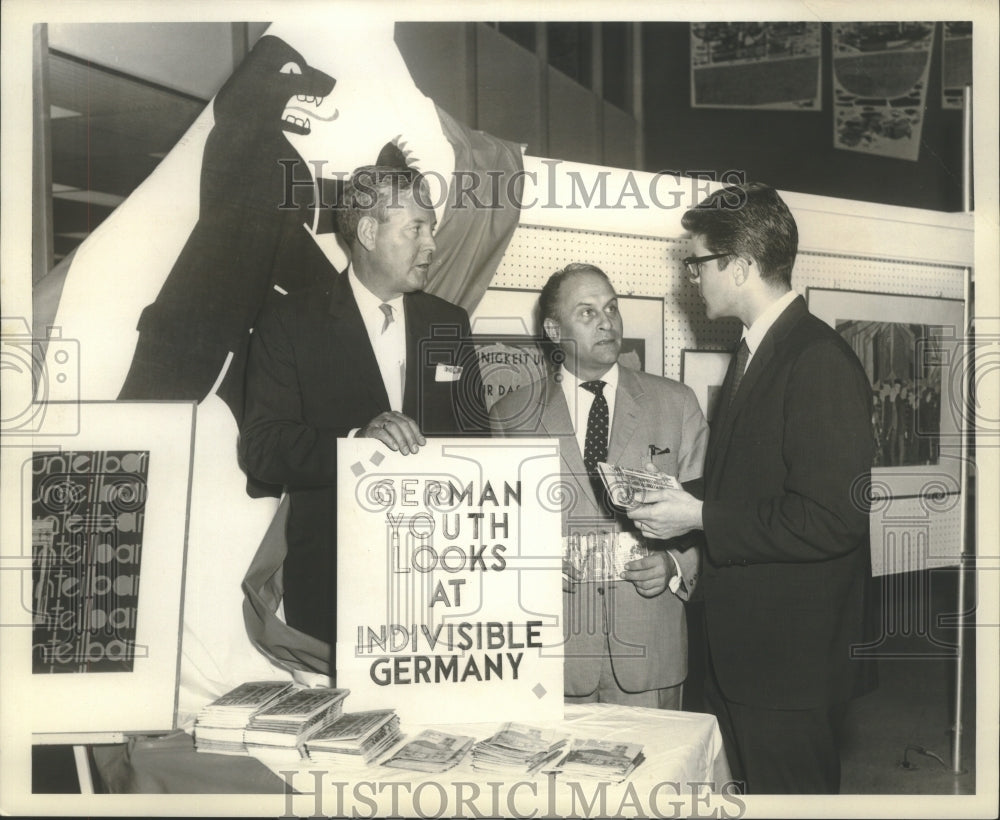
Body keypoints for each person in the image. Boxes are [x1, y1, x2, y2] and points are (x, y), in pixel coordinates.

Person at [627, 182, 876, 793]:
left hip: (786, 669)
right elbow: (753, 480)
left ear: (738, 267)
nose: (692, 277)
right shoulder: (761, 349)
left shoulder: (815, 358)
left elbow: (830, 518)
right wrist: (673, 490)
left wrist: (700, 515)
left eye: (698, 262)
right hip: (752, 661)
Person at [238, 165, 486, 658]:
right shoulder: (289, 321)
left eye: (431, 228)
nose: (431, 244)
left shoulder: (449, 323)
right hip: (335, 583)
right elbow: (263, 449)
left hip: (440, 582)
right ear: (369, 232)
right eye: (416, 228)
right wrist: (357, 444)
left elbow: (479, 448)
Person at [490, 263, 707, 708]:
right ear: (554, 329)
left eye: (611, 308)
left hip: (650, 649)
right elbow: (499, 534)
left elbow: (710, 514)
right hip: (555, 654)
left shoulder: (676, 403)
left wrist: (673, 564)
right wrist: (532, 568)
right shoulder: (511, 416)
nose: (607, 321)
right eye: (587, 312)